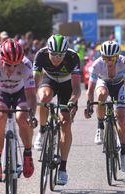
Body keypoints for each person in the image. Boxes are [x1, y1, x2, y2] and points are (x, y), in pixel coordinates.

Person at [0, 39, 37, 182]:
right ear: (1, 59)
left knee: (22, 117)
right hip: (1, 92)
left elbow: (31, 95)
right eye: (8, 64)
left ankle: (28, 154)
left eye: (15, 65)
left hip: (20, 92)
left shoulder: (26, 65)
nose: (12, 69)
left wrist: (32, 114)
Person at [33, 34, 81, 185]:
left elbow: (77, 88)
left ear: (65, 53)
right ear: (48, 50)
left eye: (60, 55)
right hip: (50, 80)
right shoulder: (41, 55)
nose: (56, 58)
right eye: (53, 54)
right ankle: (41, 131)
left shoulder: (73, 57)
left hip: (67, 84)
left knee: (65, 122)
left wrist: (73, 101)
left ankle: (63, 168)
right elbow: (35, 84)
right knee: (43, 98)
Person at [84, 40, 125, 172]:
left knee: (121, 117)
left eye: (112, 58)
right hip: (104, 83)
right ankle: (100, 126)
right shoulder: (97, 64)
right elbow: (90, 89)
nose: (109, 62)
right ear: (102, 57)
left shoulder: (123, 62)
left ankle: (123, 153)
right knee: (101, 95)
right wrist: (89, 106)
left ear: (117, 56)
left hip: (119, 86)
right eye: (106, 58)